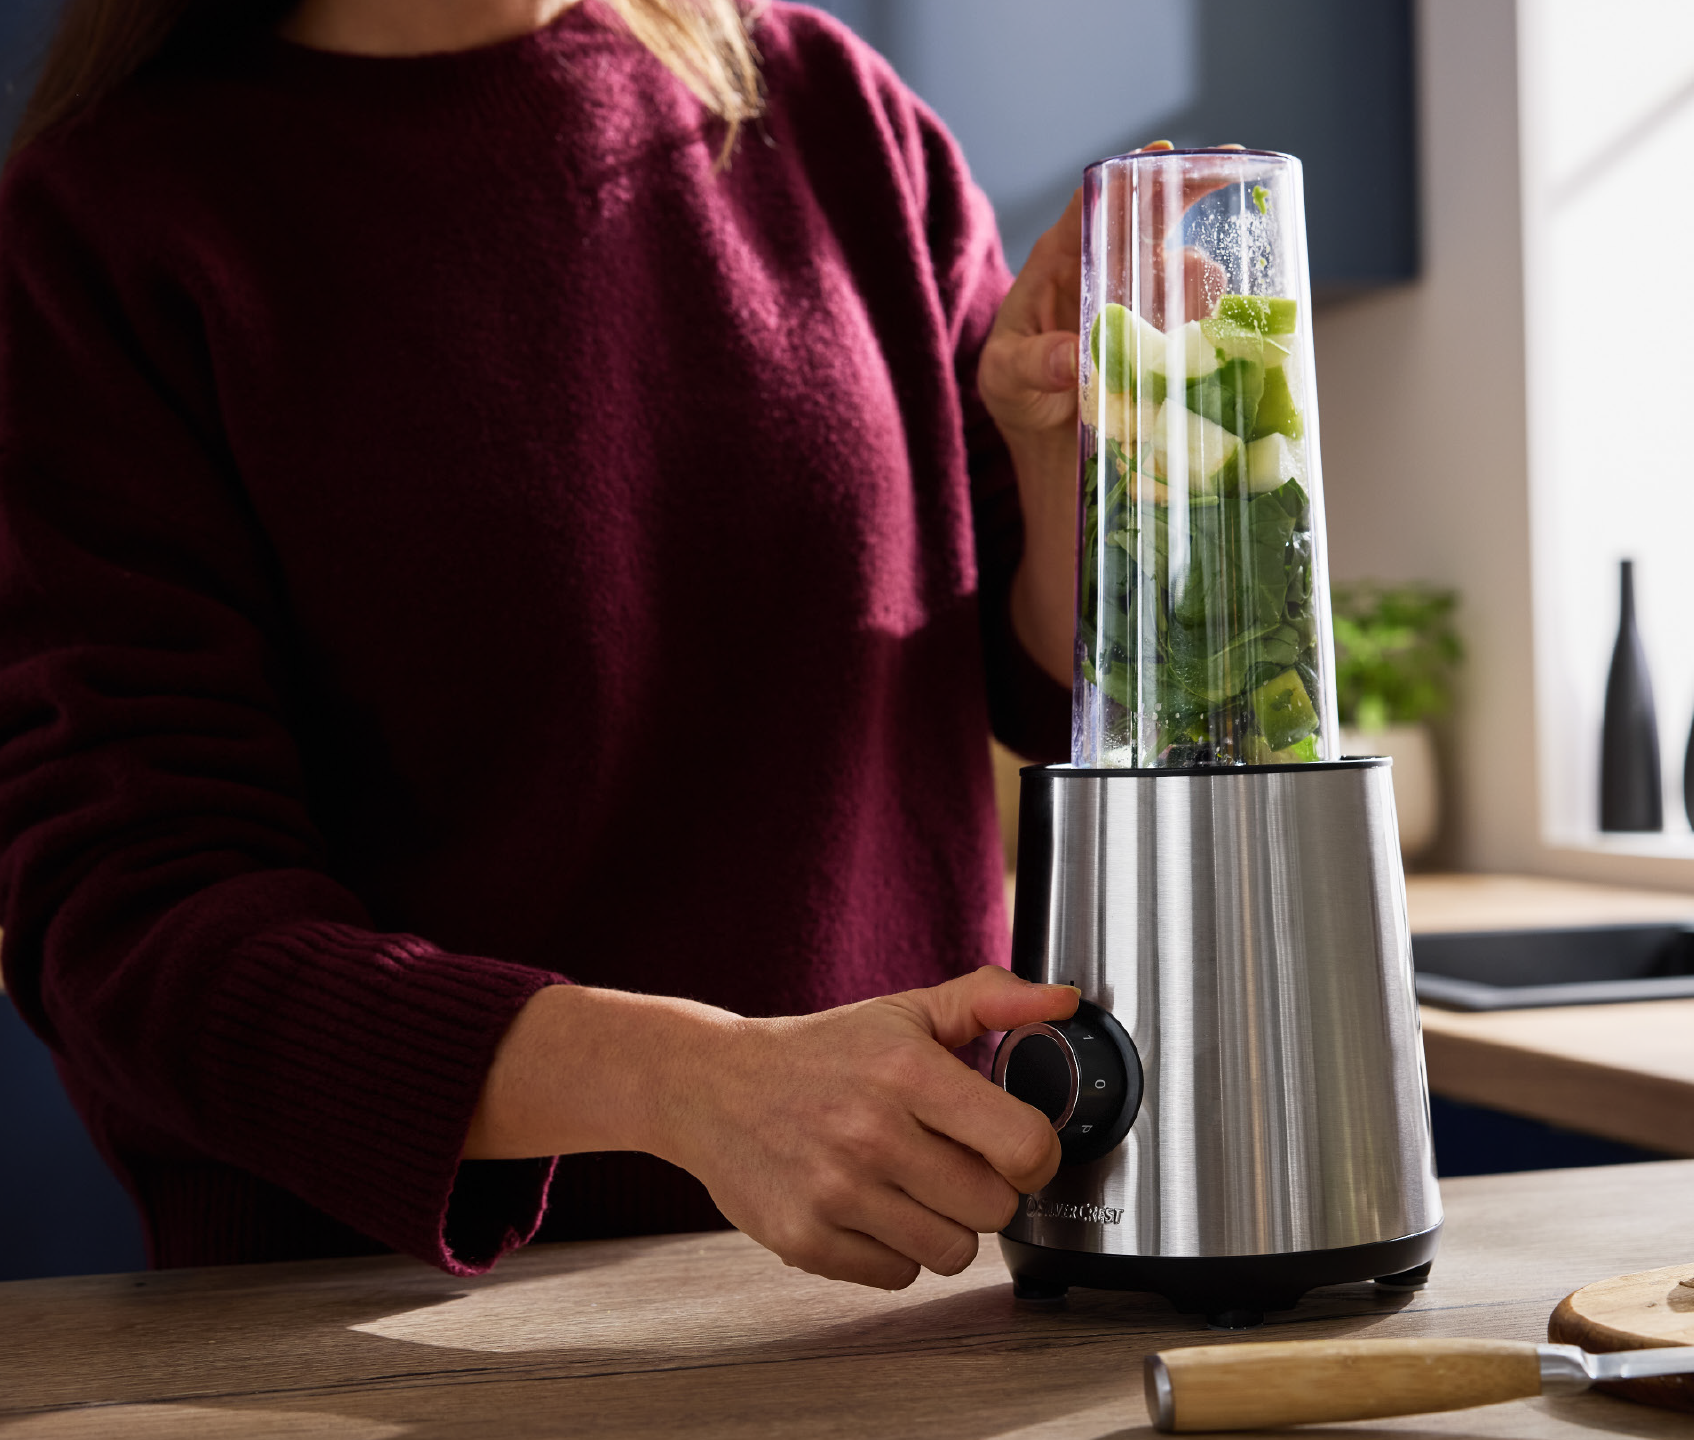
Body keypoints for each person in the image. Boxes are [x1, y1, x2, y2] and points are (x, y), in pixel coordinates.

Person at [0, 0, 1092, 1291]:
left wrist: (1063, 457)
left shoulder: (826, 103)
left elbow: (1048, 680)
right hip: (385, 1330)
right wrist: (690, 1086)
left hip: (908, 1280)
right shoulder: (103, 221)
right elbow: (129, 922)